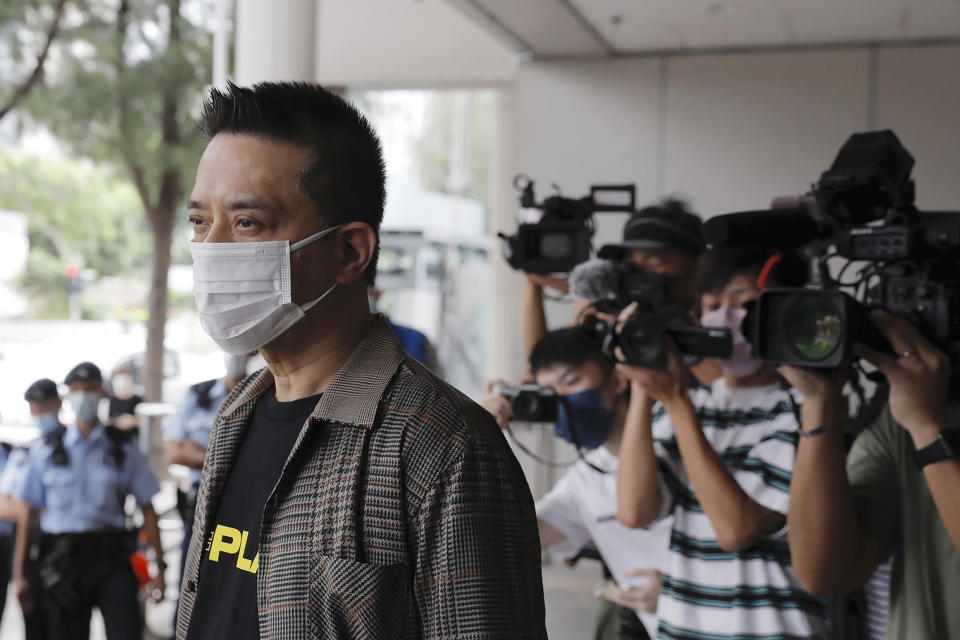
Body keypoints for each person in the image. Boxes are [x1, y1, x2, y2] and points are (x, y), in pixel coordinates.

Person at [178, 80, 545, 640]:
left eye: (247, 222)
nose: (210, 250)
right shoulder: (237, 416)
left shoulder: (444, 450)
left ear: (350, 252)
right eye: (200, 221)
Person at [616, 248, 827, 639]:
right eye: (712, 305)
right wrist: (644, 385)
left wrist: (677, 403)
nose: (725, 317)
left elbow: (737, 528)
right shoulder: (691, 404)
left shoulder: (807, 409)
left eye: (745, 303)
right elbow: (634, 510)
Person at [480, 327, 671, 640]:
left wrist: (680, 589)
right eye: (549, 394)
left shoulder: (680, 439)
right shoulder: (585, 479)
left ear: (618, 380)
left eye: (572, 382)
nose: (563, 401)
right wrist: (479, 433)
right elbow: (504, 539)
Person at [782, 310, 960, 638]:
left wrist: (926, 428)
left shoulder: (919, 419)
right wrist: (820, 402)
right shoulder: (905, 422)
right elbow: (823, 574)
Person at [12, 362, 165, 640]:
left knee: (126, 631)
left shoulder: (122, 447)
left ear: (103, 393)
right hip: (62, 561)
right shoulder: (46, 449)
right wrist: (20, 573)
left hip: (111, 556)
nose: (84, 396)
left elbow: (148, 507)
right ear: (67, 396)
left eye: (91, 390)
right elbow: (28, 513)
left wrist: (159, 567)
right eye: (78, 390)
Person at [165, 354, 248, 596]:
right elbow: (175, 454)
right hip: (201, 500)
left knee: (233, 583)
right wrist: (230, 459)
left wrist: (201, 454)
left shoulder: (267, 392)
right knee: (190, 581)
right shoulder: (198, 395)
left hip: (242, 501)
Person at [1, 379, 63, 640]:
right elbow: (10, 505)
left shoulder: (70, 446)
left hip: (64, 551)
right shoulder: (27, 452)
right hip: (31, 550)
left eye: (43, 408)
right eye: (34, 409)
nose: (39, 415)